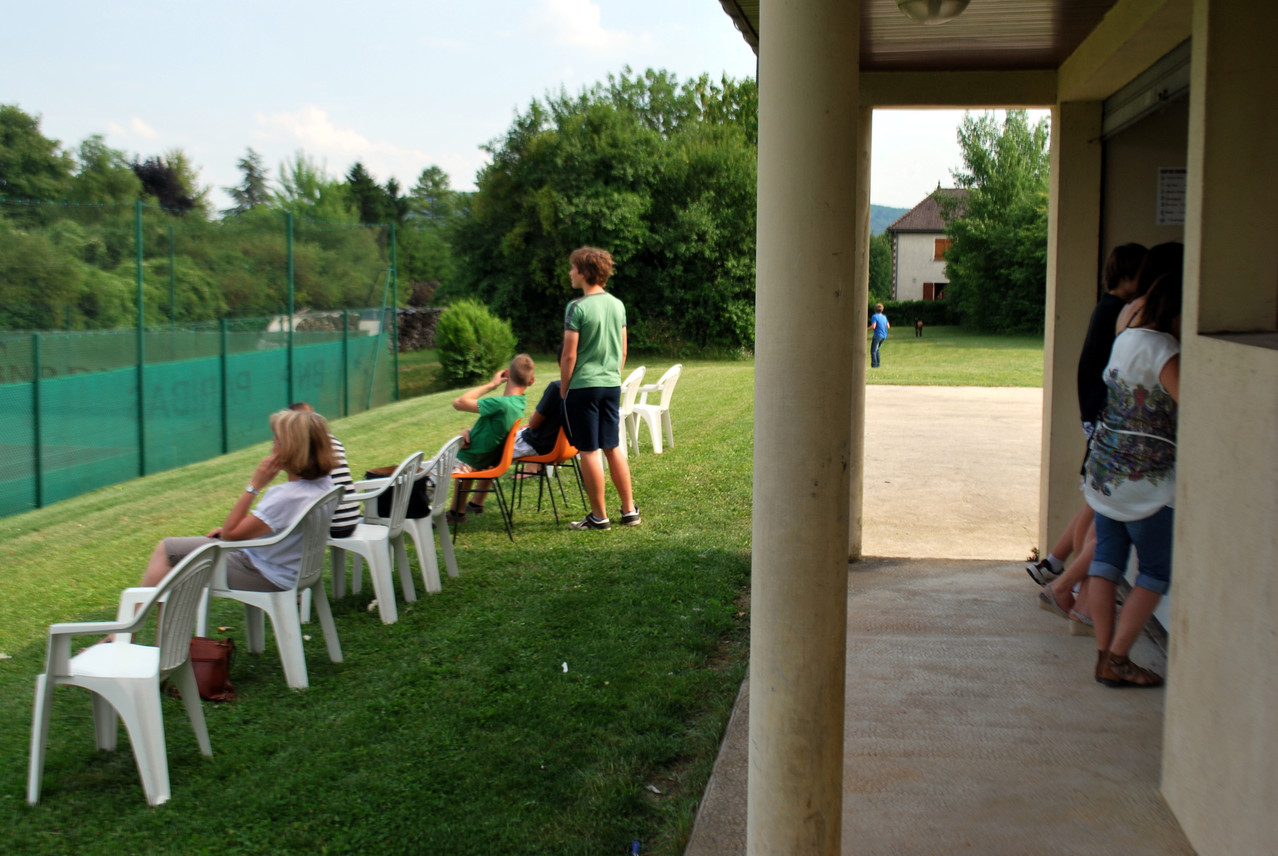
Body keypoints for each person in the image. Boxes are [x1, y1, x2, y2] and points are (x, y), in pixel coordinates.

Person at [1031, 242, 1147, 635]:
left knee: (1095, 507)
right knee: (1102, 516)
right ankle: (1074, 585)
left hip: (1099, 421)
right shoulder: (1120, 313)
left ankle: (1066, 575)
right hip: (1110, 424)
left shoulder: (1106, 308)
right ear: (1131, 276)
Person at [1084, 270, 1182, 687]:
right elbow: (1194, 404)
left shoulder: (1125, 339)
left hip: (1106, 475)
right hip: (1147, 486)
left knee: (1106, 561)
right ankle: (1119, 657)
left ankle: (1105, 654)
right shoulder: (1166, 351)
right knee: (1156, 573)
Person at [137, 408, 338, 592]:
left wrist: (254, 486)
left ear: (290, 448)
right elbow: (266, 528)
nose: (272, 446)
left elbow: (231, 535)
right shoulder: (324, 484)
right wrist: (229, 533)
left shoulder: (288, 495)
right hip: (287, 570)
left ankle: (129, 629)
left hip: (263, 573)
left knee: (167, 550)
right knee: (176, 558)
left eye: (276, 441)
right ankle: (159, 632)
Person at [560, 246, 639, 530]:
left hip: (583, 387)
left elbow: (569, 355)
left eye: (573, 268)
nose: (570, 272)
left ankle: (598, 516)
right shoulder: (618, 305)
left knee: (589, 450)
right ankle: (629, 511)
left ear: (584, 272)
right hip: (610, 385)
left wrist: (564, 389)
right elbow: (624, 351)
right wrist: (612, 378)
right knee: (612, 446)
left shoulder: (576, 308)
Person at [446, 354, 534, 523]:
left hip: (469, 459)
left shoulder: (502, 404)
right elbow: (490, 429)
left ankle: (456, 513)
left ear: (507, 374)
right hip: (485, 459)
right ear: (531, 381)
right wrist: (468, 431)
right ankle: (467, 508)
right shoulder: (519, 404)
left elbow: (459, 402)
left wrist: (492, 385)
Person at [288, 401, 360, 538]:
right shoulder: (333, 440)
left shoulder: (307, 446)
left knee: (285, 524)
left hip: (333, 523)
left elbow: (294, 489)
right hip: (352, 517)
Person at [868, 303, 890, 368]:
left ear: (875, 309)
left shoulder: (874, 316)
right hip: (884, 335)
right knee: (877, 349)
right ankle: (878, 363)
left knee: (873, 350)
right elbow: (888, 326)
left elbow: (873, 326)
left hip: (877, 335)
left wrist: (866, 329)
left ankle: (874, 364)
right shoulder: (884, 317)